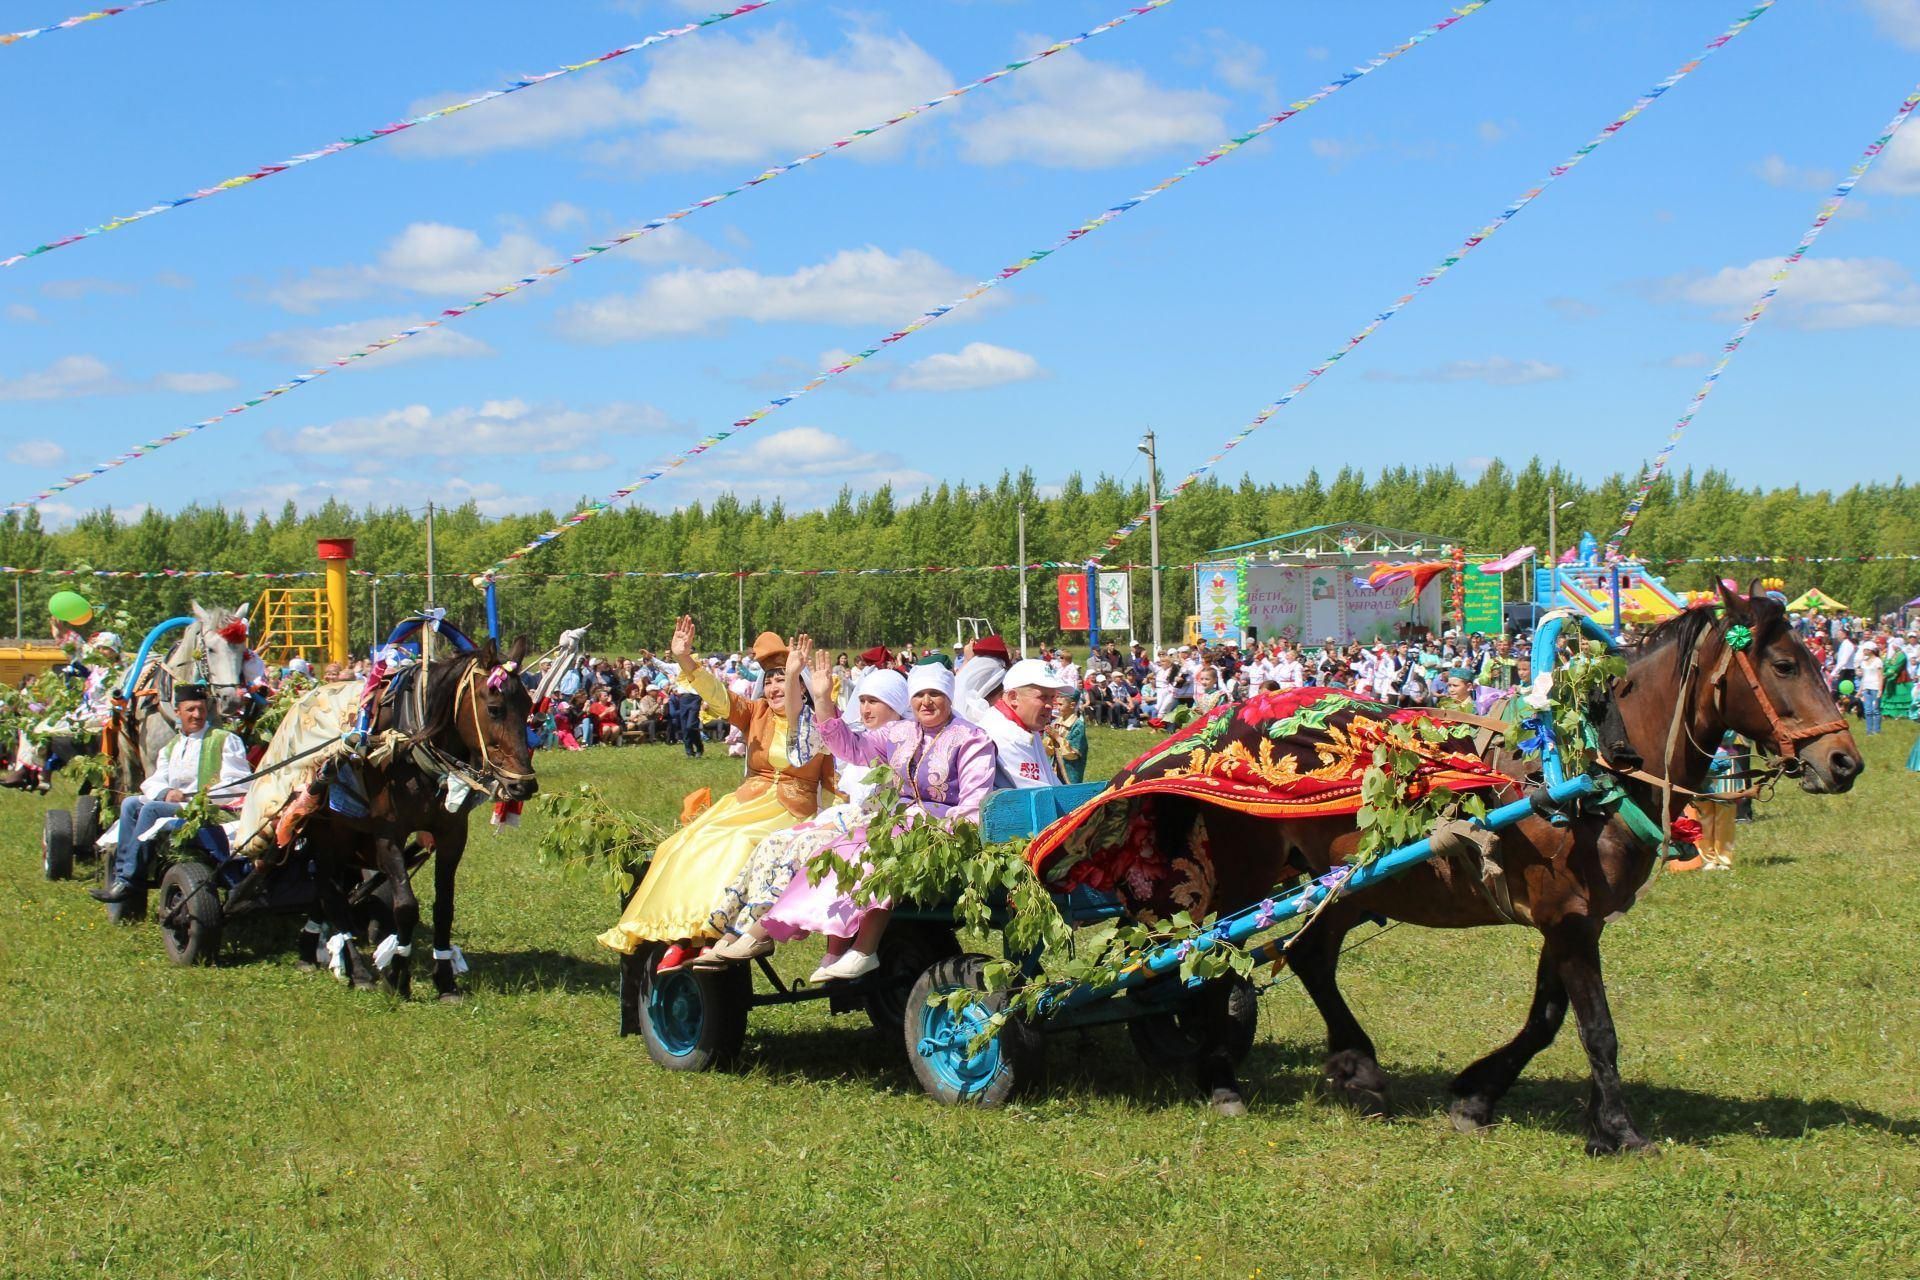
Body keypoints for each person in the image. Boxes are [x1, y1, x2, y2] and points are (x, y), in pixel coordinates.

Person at [597, 622, 835, 969]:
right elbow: (717, 695)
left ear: (800, 683)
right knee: (685, 842)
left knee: (738, 843)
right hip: (748, 801)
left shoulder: (818, 725)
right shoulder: (756, 714)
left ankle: (716, 933)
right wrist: (685, 659)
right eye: (768, 679)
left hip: (790, 810)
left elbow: (836, 779)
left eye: (781, 677)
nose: (773, 686)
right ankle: (685, 935)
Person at [756, 658, 995, 981]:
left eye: (934, 694)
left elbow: (973, 802)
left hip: (943, 830)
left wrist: (941, 832)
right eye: (919, 695)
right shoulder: (900, 732)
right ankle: (834, 950)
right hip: (897, 822)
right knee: (840, 848)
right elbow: (851, 749)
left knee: (884, 853)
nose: (926, 702)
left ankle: (865, 949)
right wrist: (824, 700)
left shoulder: (970, 738)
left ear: (949, 697)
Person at [696, 662, 912, 965]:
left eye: (874, 701)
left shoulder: (905, 739)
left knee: (805, 847)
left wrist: (809, 689)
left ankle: (761, 931)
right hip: (845, 815)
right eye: (862, 700)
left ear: (896, 705)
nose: (865, 708)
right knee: (772, 843)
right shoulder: (861, 736)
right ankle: (735, 930)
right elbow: (815, 730)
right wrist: (812, 689)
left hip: (876, 822)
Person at [92, 685, 251, 905]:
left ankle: (130, 880)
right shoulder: (173, 746)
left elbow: (239, 783)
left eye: (201, 710)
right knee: (130, 804)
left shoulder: (224, 739)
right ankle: (121, 874)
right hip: (180, 805)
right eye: (191, 710)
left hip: (212, 807)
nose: (197, 715)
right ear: (178, 712)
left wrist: (203, 797)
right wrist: (166, 792)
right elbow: (155, 780)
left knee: (151, 809)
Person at [982, 658, 1068, 789]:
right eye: (1043, 697)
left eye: (1052, 697)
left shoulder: (1024, 727)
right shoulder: (1004, 734)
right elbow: (1040, 795)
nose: (1050, 705)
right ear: (1013, 697)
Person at [1045, 687, 1089, 784]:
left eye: (1061, 705)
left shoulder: (1078, 725)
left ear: (1072, 705)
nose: (1058, 708)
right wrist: (1049, 737)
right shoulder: (1055, 723)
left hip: (1070, 770)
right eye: (1057, 704)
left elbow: (1072, 754)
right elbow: (1047, 750)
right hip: (1054, 769)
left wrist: (1057, 737)